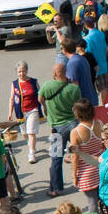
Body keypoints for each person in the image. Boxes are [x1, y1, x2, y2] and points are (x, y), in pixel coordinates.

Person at [41, 62, 82, 197]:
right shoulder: (74, 88)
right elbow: (78, 106)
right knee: (81, 152)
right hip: (73, 125)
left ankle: (56, 189)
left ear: (54, 74)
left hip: (56, 128)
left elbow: (40, 98)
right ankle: (87, 179)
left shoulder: (47, 86)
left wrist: (46, 108)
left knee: (56, 158)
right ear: (66, 74)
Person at [7, 61, 41, 162]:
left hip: (33, 110)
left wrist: (43, 107)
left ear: (27, 70)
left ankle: (31, 153)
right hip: (20, 112)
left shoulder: (34, 82)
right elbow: (12, 98)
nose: (21, 74)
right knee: (24, 133)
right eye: (19, 72)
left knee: (31, 132)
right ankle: (31, 144)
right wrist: (10, 113)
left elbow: (40, 95)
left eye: (23, 71)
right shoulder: (15, 84)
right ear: (17, 72)